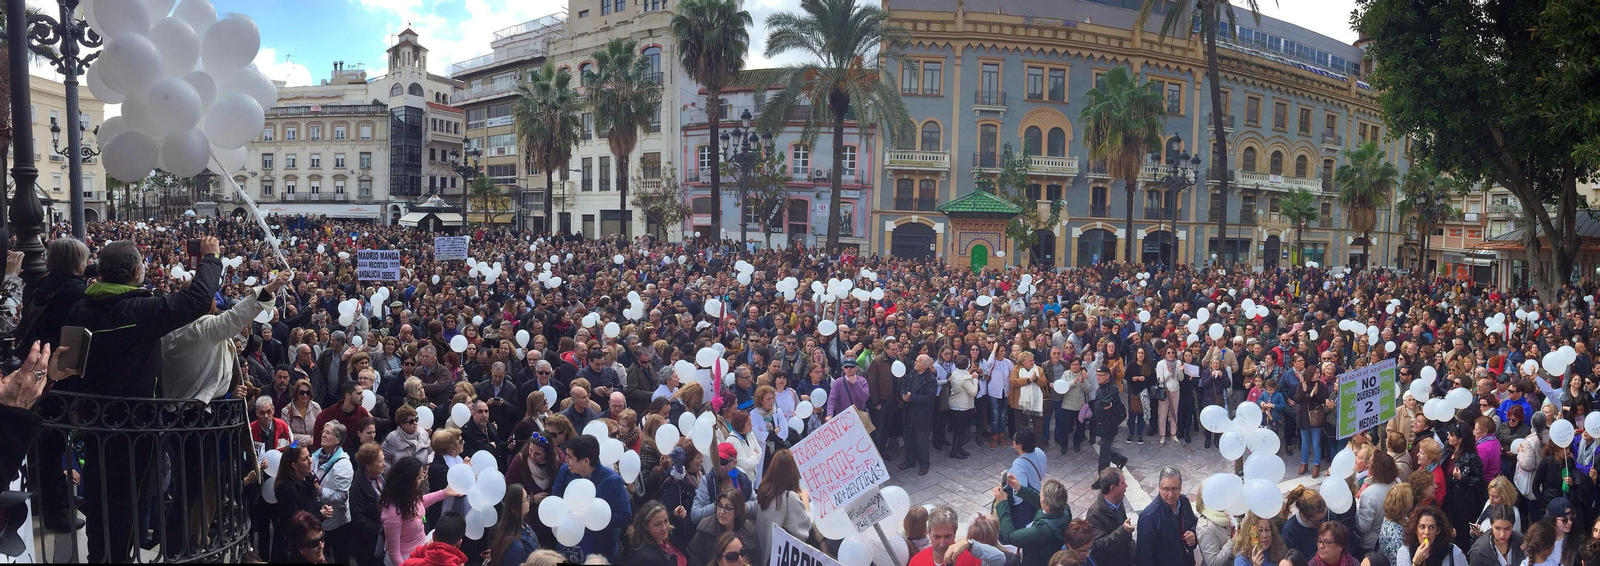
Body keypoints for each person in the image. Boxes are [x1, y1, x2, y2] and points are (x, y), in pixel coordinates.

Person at [60, 237, 223, 563]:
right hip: (133, 426)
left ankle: (99, 558)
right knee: (126, 504)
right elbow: (197, 299)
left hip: (94, 421)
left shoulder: (81, 307)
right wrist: (210, 258)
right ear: (136, 271)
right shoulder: (138, 309)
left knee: (98, 498)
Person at [160, 269, 287, 401]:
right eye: (211, 297)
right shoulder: (201, 329)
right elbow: (235, 317)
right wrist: (271, 287)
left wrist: (232, 392)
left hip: (176, 409)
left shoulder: (170, 329)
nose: (215, 300)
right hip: (199, 413)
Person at [552, 434, 633, 561]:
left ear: (585, 461)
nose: (566, 460)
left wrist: (593, 516)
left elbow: (625, 516)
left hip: (598, 552)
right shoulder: (565, 471)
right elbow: (555, 500)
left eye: (570, 457)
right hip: (567, 546)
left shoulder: (612, 481)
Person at [381, 456, 465, 565]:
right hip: (406, 559)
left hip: (422, 552)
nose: (422, 480)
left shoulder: (408, 497)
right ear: (408, 481)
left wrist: (444, 493)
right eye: (419, 477)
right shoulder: (392, 513)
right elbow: (394, 555)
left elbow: (421, 502)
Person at [994, 475, 1070, 566]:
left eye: (1041, 495)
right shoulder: (1064, 508)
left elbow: (1010, 536)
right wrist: (1019, 489)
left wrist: (1002, 503)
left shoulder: (1044, 530)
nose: (1039, 495)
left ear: (1047, 505)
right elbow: (1039, 500)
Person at [752, 450, 811, 563]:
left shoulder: (763, 490)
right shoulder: (790, 497)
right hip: (779, 557)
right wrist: (806, 504)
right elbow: (803, 532)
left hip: (764, 552)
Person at [276, 446, 329, 562]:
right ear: (294, 465)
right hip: (301, 549)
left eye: (309, 456)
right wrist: (320, 514)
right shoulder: (288, 491)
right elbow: (295, 524)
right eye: (305, 459)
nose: (311, 460)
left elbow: (311, 504)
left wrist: (321, 508)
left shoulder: (307, 479)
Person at [907, 505, 1009, 566]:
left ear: (955, 533)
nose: (942, 544)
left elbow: (1000, 559)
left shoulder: (971, 557)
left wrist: (969, 544)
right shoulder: (918, 561)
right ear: (929, 533)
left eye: (947, 536)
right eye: (937, 537)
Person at [1136, 466, 1197, 566]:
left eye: (1175, 489)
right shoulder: (1149, 518)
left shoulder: (1184, 503)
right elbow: (1144, 558)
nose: (1170, 494)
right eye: (1166, 489)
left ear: (1180, 487)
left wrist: (1193, 534)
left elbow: (1194, 522)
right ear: (1159, 488)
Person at [313, 421, 356, 564]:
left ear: (338, 440)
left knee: (340, 557)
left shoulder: (343, 464)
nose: (323, 435)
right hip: (319, 518)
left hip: (337, 521)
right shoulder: (315, 455)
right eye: (323, 432)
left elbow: (342, 496)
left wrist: (319, 490)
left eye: (328, 433)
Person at [692, 443, 758, 524]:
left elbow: (757, 505)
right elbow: (695, 515)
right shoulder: (708, 481)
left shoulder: (742, 478)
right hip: (716, 533)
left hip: (739, 531)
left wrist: (744, 507)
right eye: (716, 460)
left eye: (723, 461)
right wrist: (720, 505)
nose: (718, 465)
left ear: (734, 463)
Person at [1085, 467, 1134, 566]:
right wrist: (1123, 531)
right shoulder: (1094, 514)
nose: (1126, 486)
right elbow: (1098, 546)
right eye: (1123, 483)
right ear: (1113, 488)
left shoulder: (1118, 502)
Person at [349, 443, 388, 566]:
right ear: (368, 465)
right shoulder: (357, 488)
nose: (384, 464)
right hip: (369, 542)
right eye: (380, 461)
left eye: (384, 459)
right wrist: (379, 529)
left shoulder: (382, 477)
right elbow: (358, 518)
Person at [902, 354, 939, 475]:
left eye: (917, 361)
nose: (915, 363)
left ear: (924, 365)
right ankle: (909, 461)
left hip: (922, 416)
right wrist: (903, 395)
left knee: (922, 441)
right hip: (909, 413)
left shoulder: (931, 380)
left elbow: (929, 398)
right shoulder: (912, 374)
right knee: (909, 439)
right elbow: (904, 385)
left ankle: (924, 464)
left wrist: (911, 397)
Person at [1396, 506, 1468, 566]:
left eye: (1431, 527)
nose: (1427, 532)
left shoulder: (1453, 552)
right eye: (1422, 527)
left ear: (1438, 530)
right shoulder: (1405, 552)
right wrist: (1416, 562)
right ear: (1415, 530)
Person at [626, 500, 690, 566]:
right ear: (645, 526)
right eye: (657, 524)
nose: (664, 528)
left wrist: (677, 517)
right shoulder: (646, 558)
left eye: (666, 521)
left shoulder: (670, 539)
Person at [486, 484, 538, 566]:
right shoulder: (515, 546)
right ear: (514, 509)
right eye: (525, 500)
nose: (529, 501)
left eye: (528, 497)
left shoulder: (524, 526)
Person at [1360, 451, 1401, 551]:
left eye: (1369, 463)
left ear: (1376, 469)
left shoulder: (1369, 494)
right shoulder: (1398, 482)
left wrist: (1357, 508)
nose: (1367, 465)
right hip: (1391, 537)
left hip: (1372, 544)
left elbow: (1363, 526)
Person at [400, 512, 469, 566]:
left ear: (433, 536)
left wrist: (426, 547)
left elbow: (410, 559)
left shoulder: (411, 564)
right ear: (459, 543)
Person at [1094, 366, 1129, 471]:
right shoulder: (1103, 386)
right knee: (1105, 448)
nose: (1098, 377)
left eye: (1100, 375)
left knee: (1104, 454)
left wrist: (1111, 406)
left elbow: (1118, 408)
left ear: (1107, 376)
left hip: (1108, 425)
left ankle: (1103, 478)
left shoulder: (1112, 389)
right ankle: (1119, 459)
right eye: (1097, 375)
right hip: (1102, 423)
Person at [1280, 485, 1330, 557]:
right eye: (1317, 521)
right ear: (1303, 515)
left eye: (1324, 517)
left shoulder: (1324, 516)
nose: (1322, 523)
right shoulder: (1290, 533)